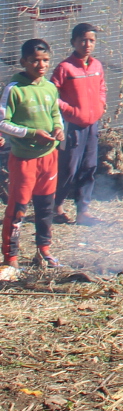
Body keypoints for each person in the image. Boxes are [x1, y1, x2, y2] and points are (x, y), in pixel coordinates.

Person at [0, 39, 62, 268]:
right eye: (35, 60)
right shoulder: (14, 88)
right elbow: (3, 123)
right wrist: (30, 133)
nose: (41, 65)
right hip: (25, 159)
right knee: (18, 208)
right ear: (23, 61)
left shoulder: (49, 87)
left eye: (45, 60)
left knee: (45, 206)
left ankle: (43, 250)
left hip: (50, 156)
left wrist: (59, 129)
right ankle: (11, 258)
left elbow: (56, 114)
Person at [51, 25, 105, 227]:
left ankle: (83, 211)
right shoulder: (65, 68)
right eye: (83, 40)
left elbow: (102, 88)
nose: (87, 44)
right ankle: (56, 207)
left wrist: (100, 104)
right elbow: (51, 95)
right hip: (72, 127)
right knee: (68, 168)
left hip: (92, 125)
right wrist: (69, 111)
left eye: (91, 40)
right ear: (73, 42)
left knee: (89, 167)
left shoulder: (97, 65)